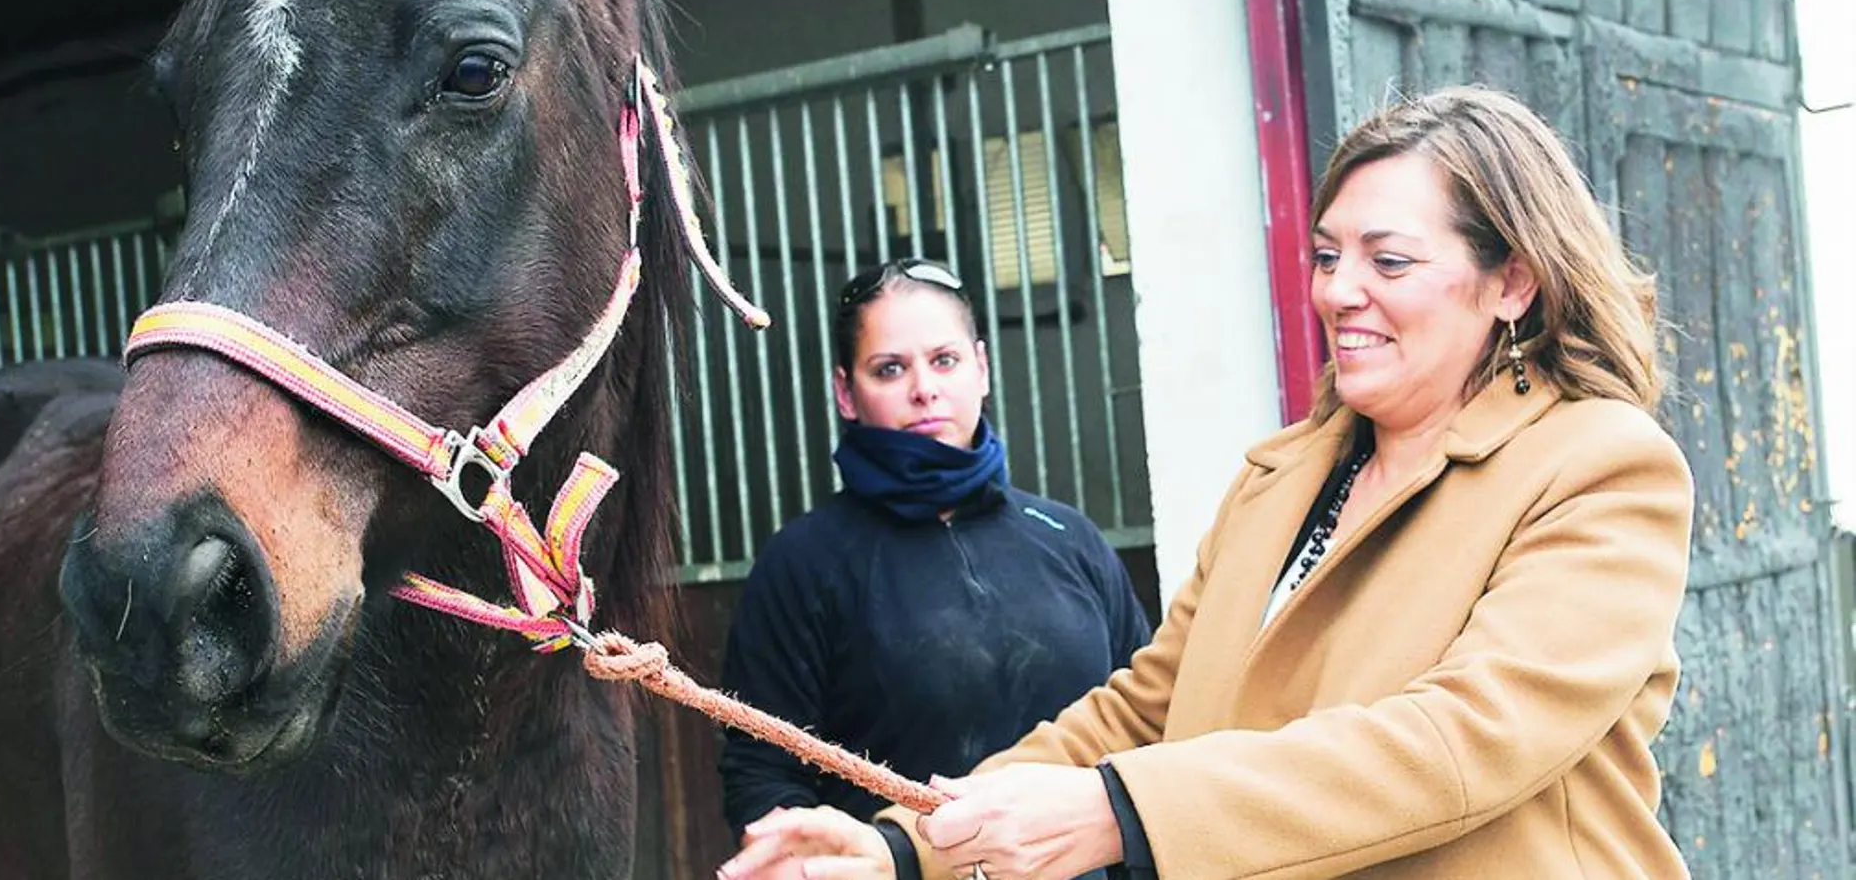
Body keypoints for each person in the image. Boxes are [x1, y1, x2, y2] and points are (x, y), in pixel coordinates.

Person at [716, 88, 1696, 880]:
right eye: (1326, 255)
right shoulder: (1284, 477)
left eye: (1387, 259)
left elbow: (1463, 738)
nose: (1336, 290)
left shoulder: (1598, 466)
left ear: (1512, 282)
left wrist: (1118, 814)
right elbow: (1145, 706)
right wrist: (906, 843)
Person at [717, 257, 1154, 878]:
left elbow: (1146, 722)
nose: (924, 388)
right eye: (889, 369)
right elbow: (763, 766)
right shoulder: (802, 564)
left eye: (943, 361)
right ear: (846, 392)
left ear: (981, 367)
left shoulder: (1070, 540)